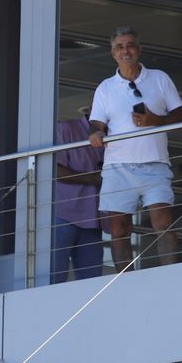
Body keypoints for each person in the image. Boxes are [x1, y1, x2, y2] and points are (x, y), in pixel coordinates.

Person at [88, 27, 182, 270]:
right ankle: (124, 282)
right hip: (118, 167)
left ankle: (172, 277)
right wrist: (96, 132)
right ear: (113, 53)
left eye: (130, 45)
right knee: (119, 228)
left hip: (155, 163)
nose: (125, 50)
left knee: (163, 222)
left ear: (139, 49)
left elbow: (180, 115)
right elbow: (96, 122)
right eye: (119, 47)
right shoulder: (105, 87)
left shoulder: (160, 78)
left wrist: (155, 120)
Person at [51, 110, 104, 283]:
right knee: (53, 281)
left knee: (92, 285)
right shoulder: (65, 129)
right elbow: (53, 169)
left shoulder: (114, 135)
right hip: (63, 215)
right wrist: (92, 178)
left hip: (94, 219)